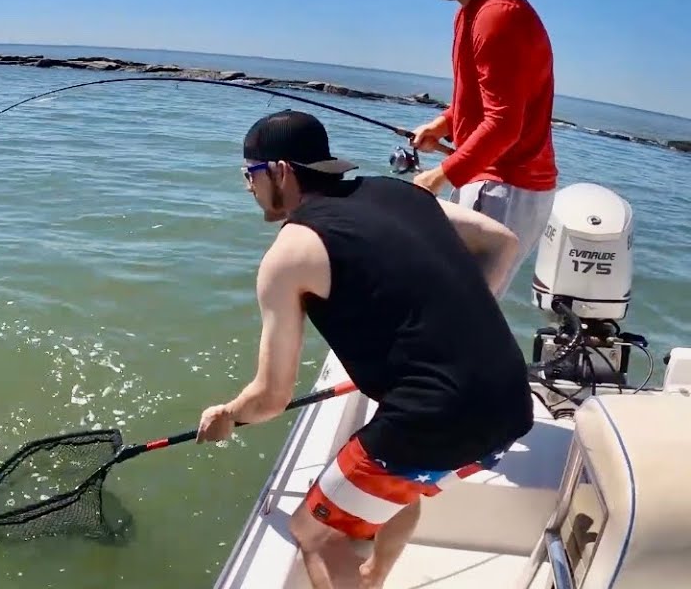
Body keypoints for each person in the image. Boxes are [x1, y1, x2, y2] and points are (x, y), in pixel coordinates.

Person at [195, 110, 534, 589]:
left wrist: (230, 414)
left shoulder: (290, 252)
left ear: (281, 171)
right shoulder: (403, 192)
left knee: (315, 534)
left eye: (249, 173)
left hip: (436, 419)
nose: (246, 186)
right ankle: (373, 575)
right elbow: (502, 241)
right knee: (399, 480)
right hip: (510, 404)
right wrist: (451, 327)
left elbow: (271, 397)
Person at [403, 0, 558, 299]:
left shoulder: (499, 17)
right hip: (486, 180)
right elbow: (481, 102)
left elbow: (505, 123)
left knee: (463, 313)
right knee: (450, 303)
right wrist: (444, 124)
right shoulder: (469, 14)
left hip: (510, 187)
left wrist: (437, 178)